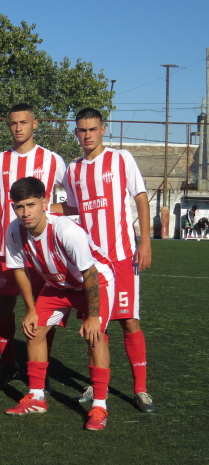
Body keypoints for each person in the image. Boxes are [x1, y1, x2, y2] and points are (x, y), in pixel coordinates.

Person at [52, 108, 156, 413]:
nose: (87, 135)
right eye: (82, 130)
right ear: (76, 132)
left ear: (103, 129)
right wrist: (46, 207)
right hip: (92, 261)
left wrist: (145, 242)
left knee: (130, 321)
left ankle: (141, 390)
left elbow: (140, 197)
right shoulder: (73, 169)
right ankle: (97, 386)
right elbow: (73, 206)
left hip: (122, 256)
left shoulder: (121, 158)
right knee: (96, 324)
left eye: (92, 129)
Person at [4, 177, 115, 431]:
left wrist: (92, 316)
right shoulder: (14, 230)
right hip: (57, 284)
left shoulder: (66, 230)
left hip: (94, 282)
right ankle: (37, 397)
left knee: (95, 336)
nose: (25, 212)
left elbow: (90, 274)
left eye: (31, 204)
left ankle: (99, 405)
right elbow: (19, 270)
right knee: (34, 330)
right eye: (19, 206)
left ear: (45, 203)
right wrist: (30, 310)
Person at [0, 103, 67, 391]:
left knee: (45, 312)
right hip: (8, 248)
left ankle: (41, 369)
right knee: (5, 307)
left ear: (35, 124)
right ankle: (8, 363)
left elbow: (72, 199)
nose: (18, 128)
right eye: (13, 123)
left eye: (24, 122)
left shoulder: (53, 160)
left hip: (44, 250)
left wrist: (47, 212)